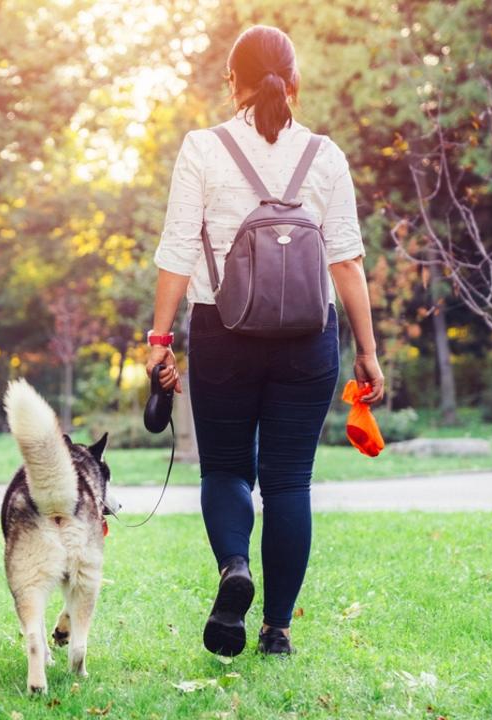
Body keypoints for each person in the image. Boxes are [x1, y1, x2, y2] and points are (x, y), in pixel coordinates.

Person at [146, 26, 386, 656]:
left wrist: (159, 338)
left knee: (225, 467)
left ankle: (234, 568)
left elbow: (176, 250)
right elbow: (347, 261)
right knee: (289, 482)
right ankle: (276, 631)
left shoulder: (203, 148)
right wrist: (366, 348)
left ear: (234, 83)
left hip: (223, 331)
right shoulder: (326, 156)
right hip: (310, 339)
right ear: (294, 81)